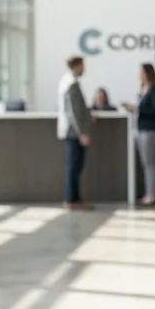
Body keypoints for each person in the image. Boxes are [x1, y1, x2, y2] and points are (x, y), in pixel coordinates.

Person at [122, 63, 155, 206]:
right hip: (140, 129)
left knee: (150, 163)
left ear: (148, 73)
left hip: (150, 129)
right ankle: (149, 192)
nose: (139, 75)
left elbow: (154, 110)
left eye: (141, 72)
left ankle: (152, 194)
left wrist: (137, 109)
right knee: (145, 163)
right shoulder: (142, 89)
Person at [57, 54, 93, 210]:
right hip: (73, 132)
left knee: (74, 166)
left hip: (72, 131)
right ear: (77, 66)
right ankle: (72, 200)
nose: (84, 69)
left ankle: (74, 198)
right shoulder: (71, 84)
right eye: (82, 66)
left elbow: (78, 109)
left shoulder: (67, 81)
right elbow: (73, 112)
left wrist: (88, 116)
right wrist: (82, 133)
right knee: (74, 166)